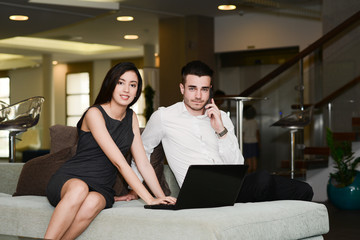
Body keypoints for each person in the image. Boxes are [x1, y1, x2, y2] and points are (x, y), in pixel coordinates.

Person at [125, 60, 313, 203]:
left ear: (210, 90)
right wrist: (133, 188)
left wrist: (221, 130)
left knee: (304, 190)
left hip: (231, 186)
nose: (198, 96)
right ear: (182, 88)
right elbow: (143, 151)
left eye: (204, 89)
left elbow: (238, 165)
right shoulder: (164, 117)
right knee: (263, 180)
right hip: (199, 193)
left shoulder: (221, 116)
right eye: (192, 88)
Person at [44, 62, 176, 240]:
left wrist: (161, 198)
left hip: (101, 187)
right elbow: (119, 162)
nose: (126, 89)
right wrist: (149, 199)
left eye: (133, 85)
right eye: (121, 82)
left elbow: (143, 162)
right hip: (70, 180)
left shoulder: (131, 118)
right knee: (79, 189)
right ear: (111, 84)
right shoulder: (94, 113)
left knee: (92, 202)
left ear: (137, 91)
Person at [242, 104, 260, 173]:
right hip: (255, 142)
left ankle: (249, 173)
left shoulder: (244, 122)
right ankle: (254, 172)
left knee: (248, 158)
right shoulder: (255, 122)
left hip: (246, 142)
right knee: (254, 158)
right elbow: (257, 134)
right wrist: (259, 143)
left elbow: (242, 134)